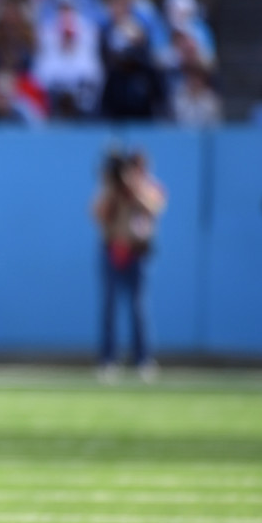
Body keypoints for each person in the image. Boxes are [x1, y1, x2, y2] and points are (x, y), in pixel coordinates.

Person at [93, 149, 167, 380]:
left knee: (138, 308)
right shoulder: (110, 190)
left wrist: (134, 187)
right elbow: (98, 213)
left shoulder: (149, 187)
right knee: (110, 307)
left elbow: (154, 208)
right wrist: (114, 189)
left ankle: (142, 359)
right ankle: (108, 359)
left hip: (137, 253)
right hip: (113, 250)